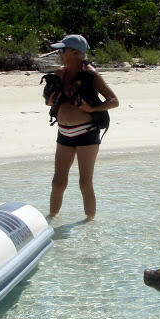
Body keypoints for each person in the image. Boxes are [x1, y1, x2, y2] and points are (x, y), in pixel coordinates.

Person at [45, 34, 119, 221]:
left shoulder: (90, 74)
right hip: (64, 133)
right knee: (57, 182)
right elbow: (48, 102)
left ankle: (89, 225)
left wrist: (93, 108)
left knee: (84, 183)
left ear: (75, 52)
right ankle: (51, 220)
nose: (58, 53)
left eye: (62, 50)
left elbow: (114, 101)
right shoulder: (59, 74)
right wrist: (52, 97)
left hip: (86, 134)